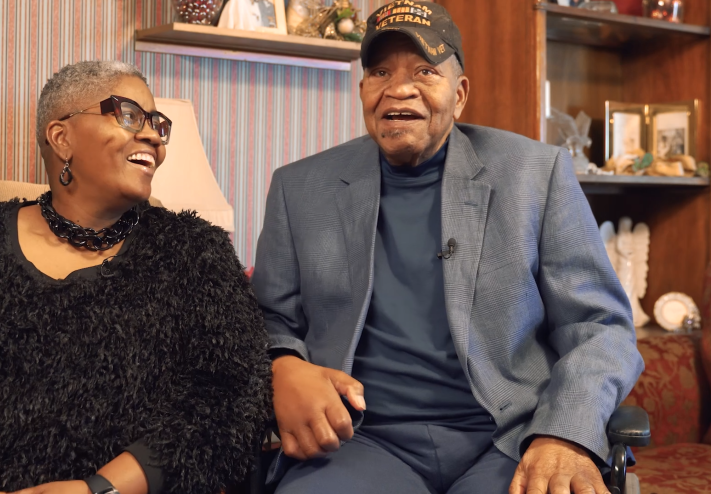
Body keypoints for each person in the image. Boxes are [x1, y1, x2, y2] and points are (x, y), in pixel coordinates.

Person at [251, 2, 643, 494]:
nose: (398, 88)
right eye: (379, 72)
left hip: (509, 439)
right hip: (361, 442)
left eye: (424, 71)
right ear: (363, 91)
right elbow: (268, 321)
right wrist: (283, 364)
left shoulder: (534, 174)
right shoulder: (300, 187)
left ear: (459, 95)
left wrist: (564, 435)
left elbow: (600, 328)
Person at [0, 60, 271, 494]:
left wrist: (98, 490)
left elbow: (232, 400)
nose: (153, 136)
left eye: (157, 123)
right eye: (129, 115)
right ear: (61, 138)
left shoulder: (195, 252)